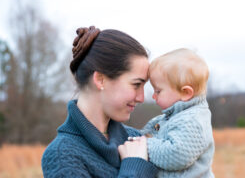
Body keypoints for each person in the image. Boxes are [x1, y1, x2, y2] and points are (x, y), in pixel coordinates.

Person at [42, 26, 158, 178]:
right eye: (136, 84)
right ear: (100, 79)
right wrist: (134, 166)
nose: (141, 98)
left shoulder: (135, 139)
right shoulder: (61, 155)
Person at [141, 48, 215, 178]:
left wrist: (143, 144)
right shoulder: (174, 117)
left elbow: (176, 155)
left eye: (158, 91)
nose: (153, 96)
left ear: (186, 93)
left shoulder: (193, 120)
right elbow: (148, 132)